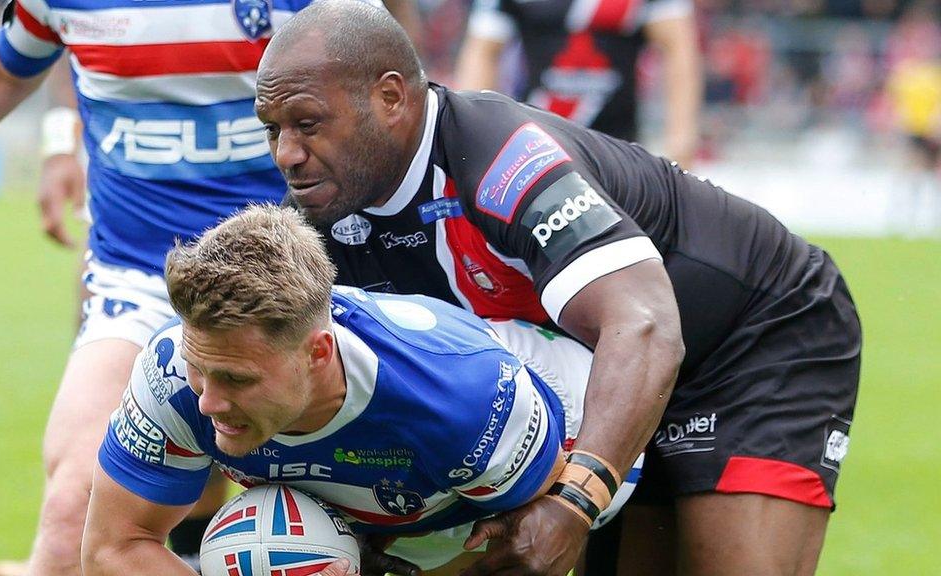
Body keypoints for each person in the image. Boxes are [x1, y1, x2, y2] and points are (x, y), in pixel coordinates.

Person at [253, 2, 863, 574]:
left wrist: (575, 500)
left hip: (751, 335)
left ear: (390, 97)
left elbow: (642, 323)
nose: (287, 154)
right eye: (271, 129)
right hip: (608, 371)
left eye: (307, 124)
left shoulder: (499, 159)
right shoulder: (321, 219)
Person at [0, 1, 398, 574]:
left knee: (391, 510)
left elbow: (384, 82)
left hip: (295, 283)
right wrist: (57, 141)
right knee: (78, 510)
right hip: (139, 279)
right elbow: (4, 68)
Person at [80, 204, 642, 576]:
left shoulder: (459, 402)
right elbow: (113, 546)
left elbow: (528, 549)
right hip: (394, 487)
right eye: (201, 368)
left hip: (566, 433)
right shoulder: (173, 374)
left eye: (237, 379)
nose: (208, 402)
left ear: (318, 353)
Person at [453, 0, 701, 167]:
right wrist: (471, 143)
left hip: (620, 150)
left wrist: (681, 140)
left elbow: (677, 45)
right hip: (537, 148)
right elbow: (482, 52)